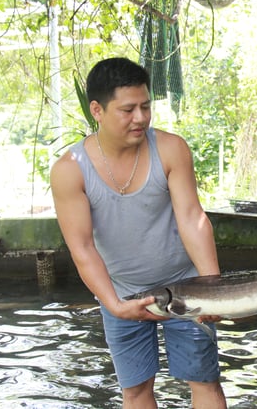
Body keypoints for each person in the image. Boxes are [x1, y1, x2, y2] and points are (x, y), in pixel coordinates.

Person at [50, 57, 226, 408]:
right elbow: (83, 248)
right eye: (128, 109)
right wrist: (114, 305)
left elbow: (192, 219)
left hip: (185, 284)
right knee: (135, 390)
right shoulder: (70, 170)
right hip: (122, 292)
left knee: (204, 380)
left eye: (146, 106)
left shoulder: (170, 148)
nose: (141, 118)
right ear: (97, 110)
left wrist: (213, 287)